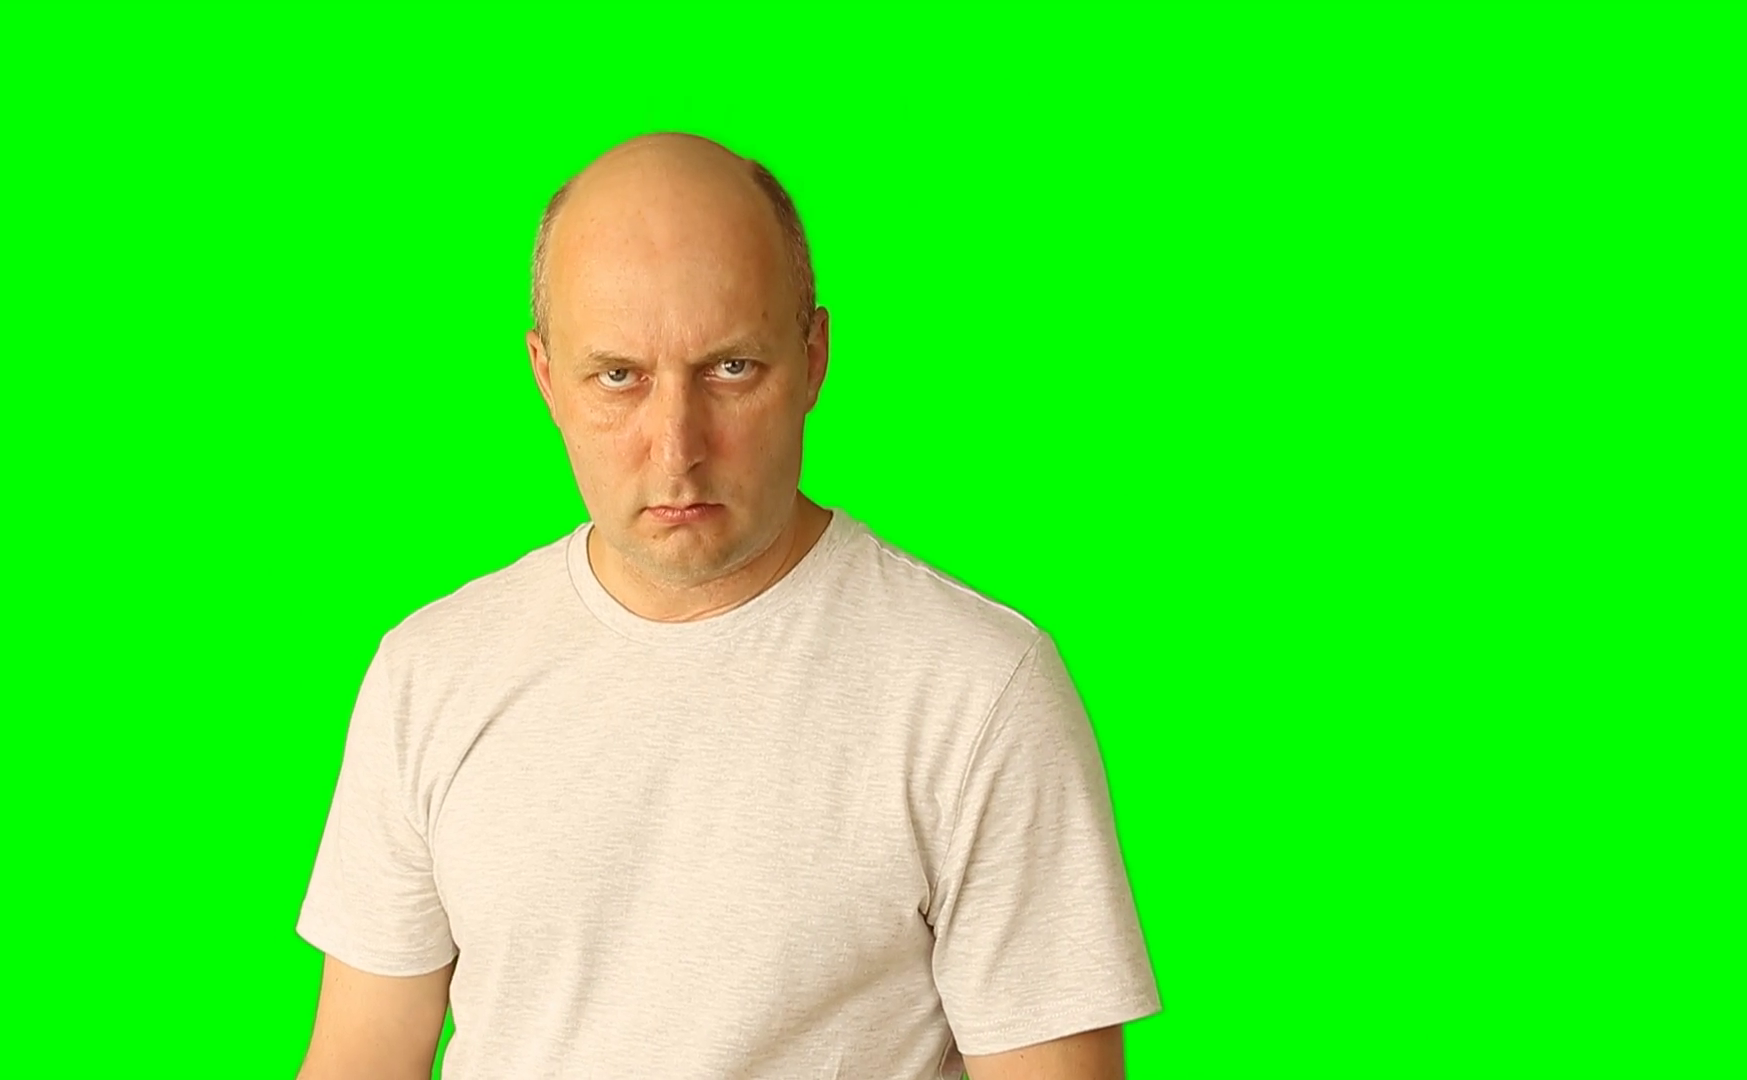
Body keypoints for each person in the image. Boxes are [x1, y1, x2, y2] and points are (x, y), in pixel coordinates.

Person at [294, 132, 1160, 1080]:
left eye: (731, 369)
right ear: (545, 377)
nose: (677, 448)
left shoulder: (978, 691)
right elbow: (360, 1058)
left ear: (814, 358)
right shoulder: (429, 673)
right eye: (618, 376)